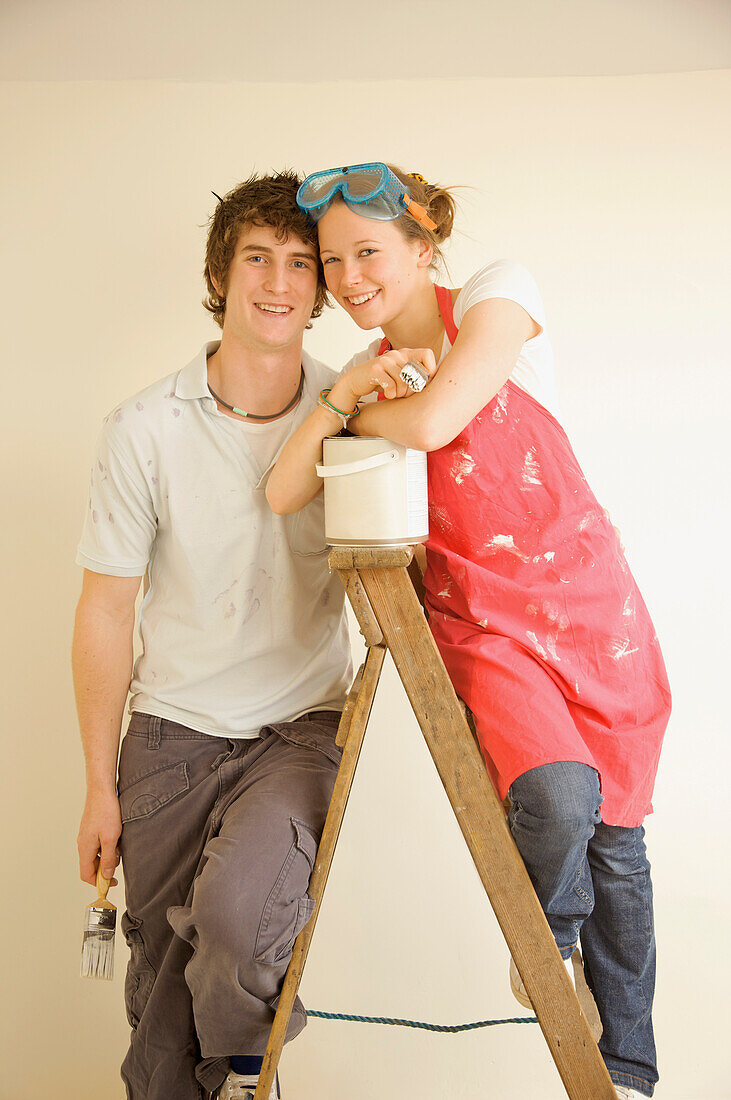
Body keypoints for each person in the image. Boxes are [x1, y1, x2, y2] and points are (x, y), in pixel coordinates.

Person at [266, 162, 671, 1100]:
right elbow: (284, 490)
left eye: (369, 250)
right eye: (332, 261)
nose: (349, 276)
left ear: (424, 247)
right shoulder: (357, 379)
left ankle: (630, 1074)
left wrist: (366, 410)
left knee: (620, 845)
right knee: (564, 801)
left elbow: (445, 416)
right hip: (483, 625)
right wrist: (348, 394)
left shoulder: (497, 295)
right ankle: (546, 942)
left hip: (592, 612)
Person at [73, 170, 353, 1100]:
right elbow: (106, 610)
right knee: (158, 994)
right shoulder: (142, 429)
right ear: (220, 274)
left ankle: (238, 1074)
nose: (277, 282)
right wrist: (95, 785)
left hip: (299, 728)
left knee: (238, 925)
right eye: (257, 259)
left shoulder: (353, 411)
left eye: (299, 263)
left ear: (319, 289)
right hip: (168, 737)